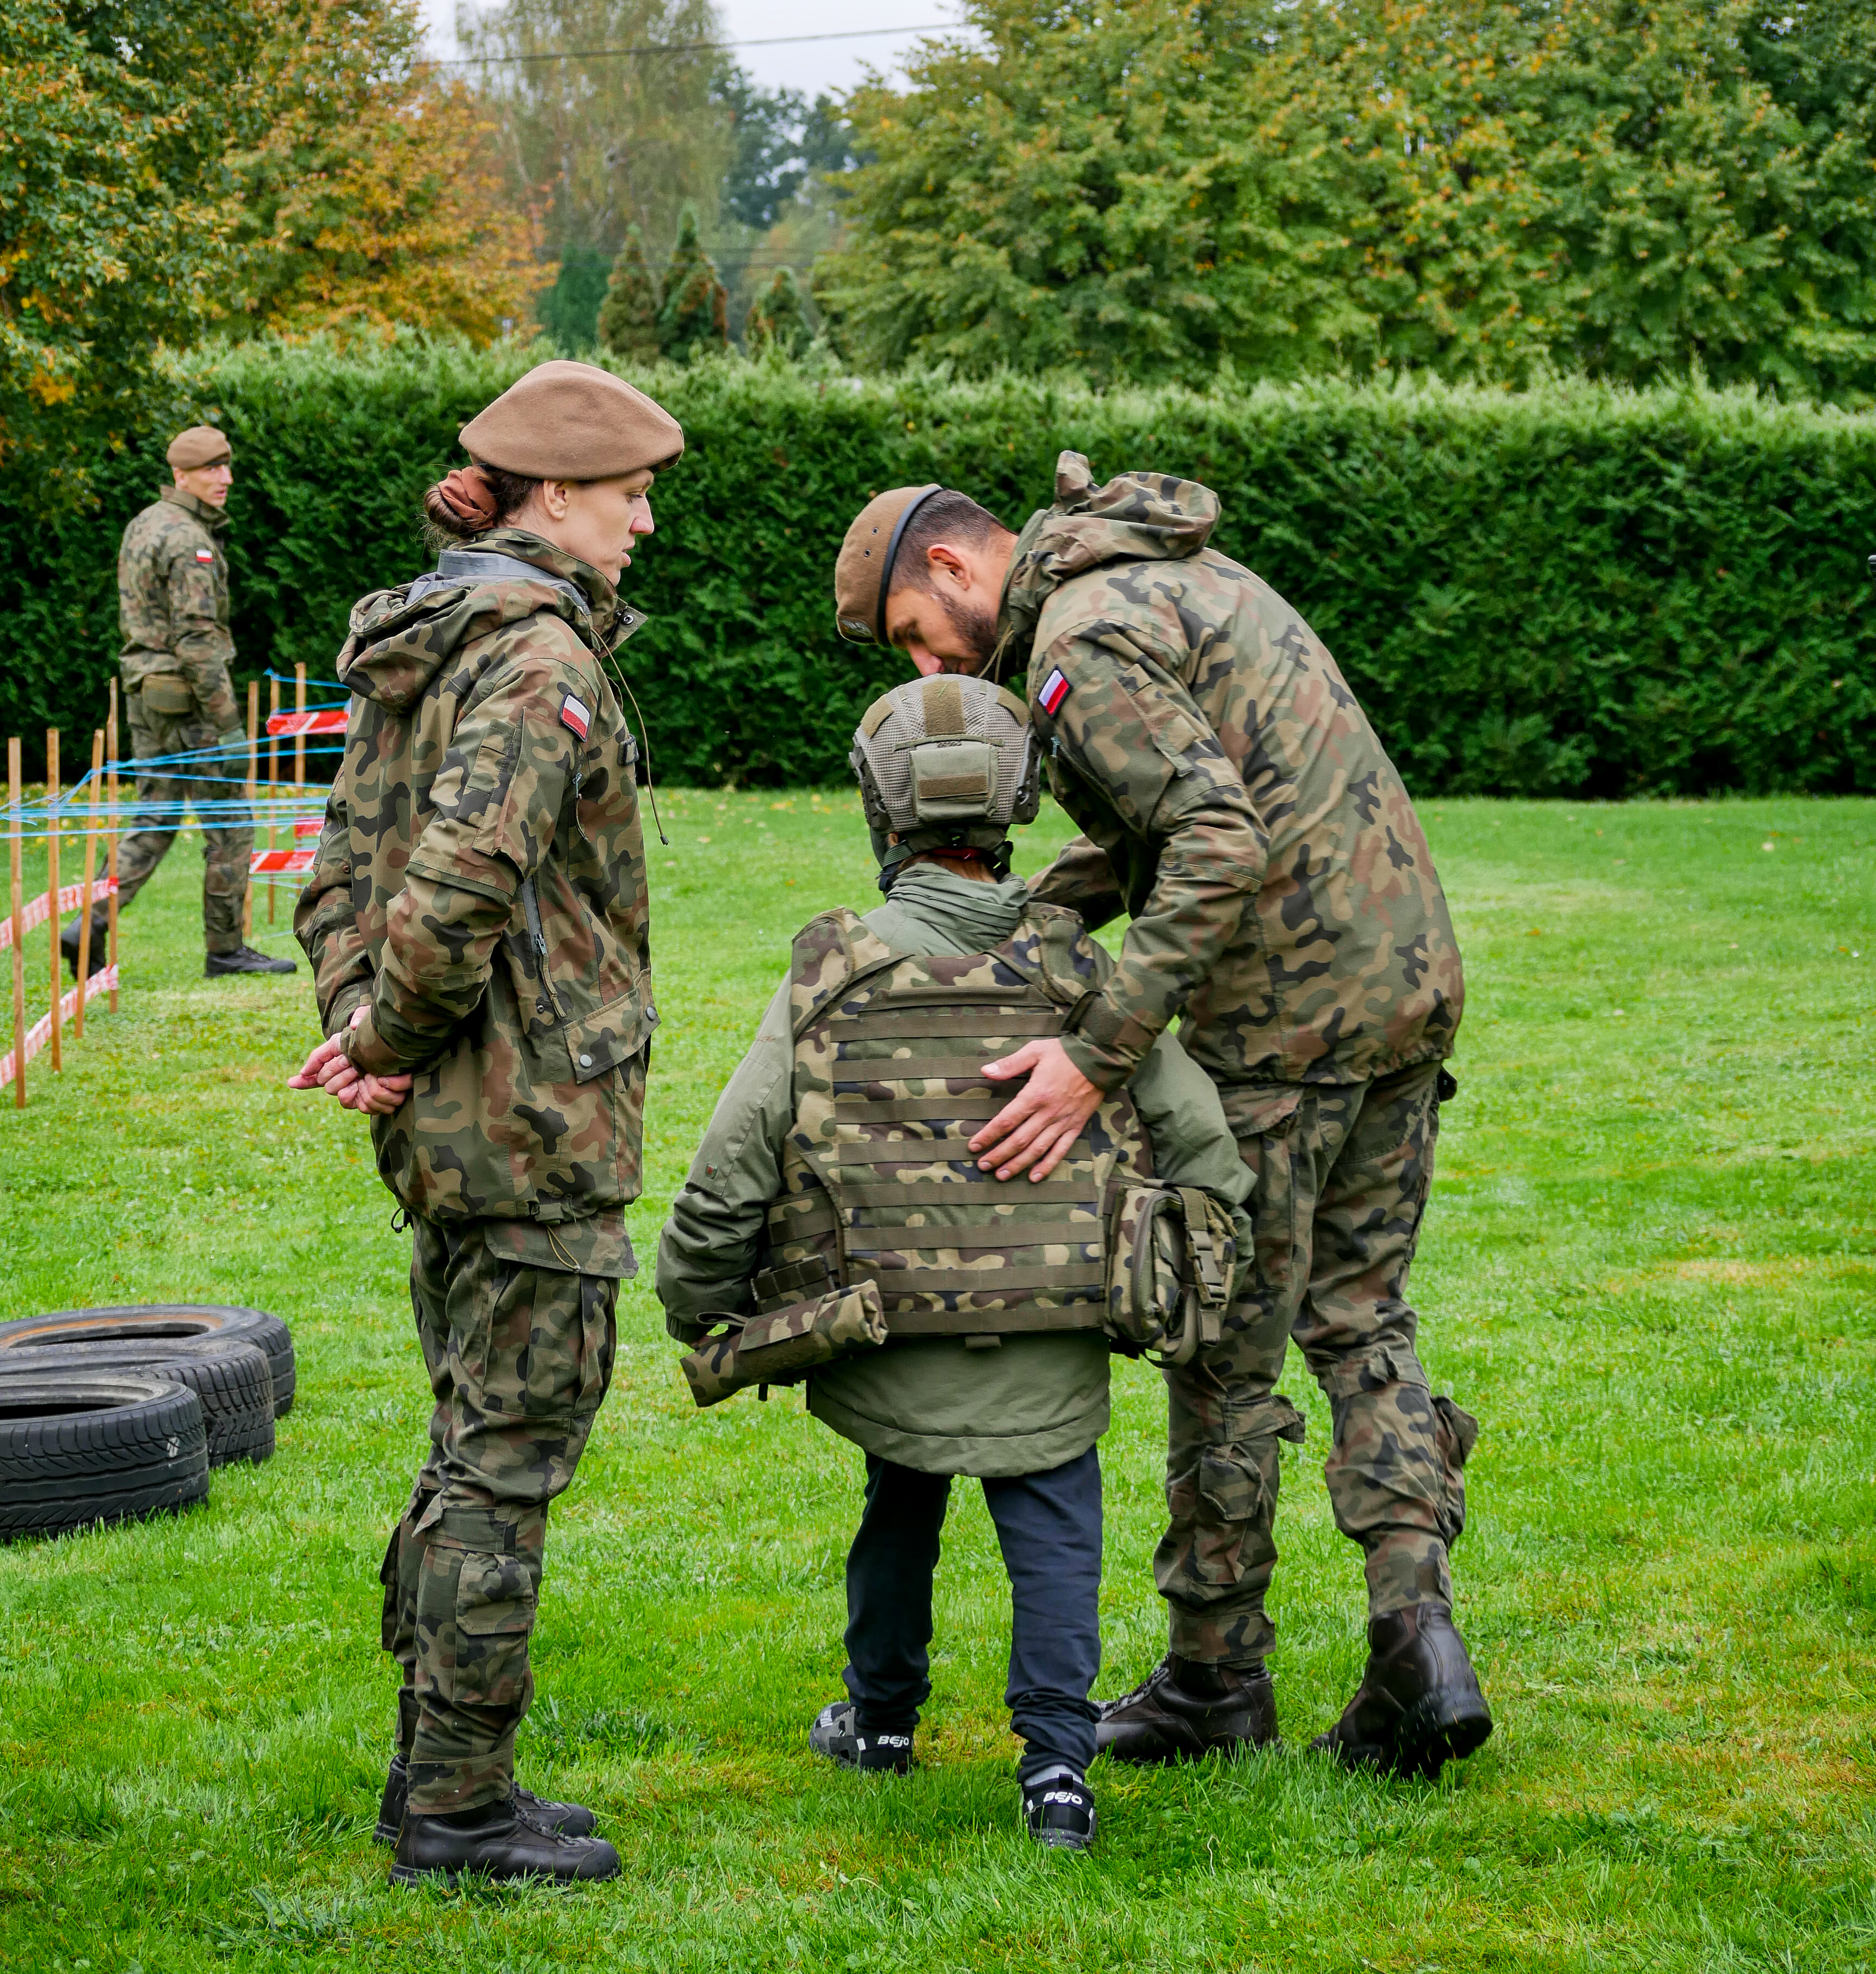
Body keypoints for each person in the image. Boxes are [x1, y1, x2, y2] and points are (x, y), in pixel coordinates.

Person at [829, 457, 1489, 1778]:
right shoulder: (1172, 573)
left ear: (955, 568)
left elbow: (1212, 843)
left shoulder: (1082, 637)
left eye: (912, 633)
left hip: (1285, 1019)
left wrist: (1094, 1049)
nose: (923, 666)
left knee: (1220, 1348)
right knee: (1361, 1313)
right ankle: (1415, 1634)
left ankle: (1210, 1675)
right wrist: (1030, 920)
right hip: (1403, 985)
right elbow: (1177, 826)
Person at [655, 673, 1253, 1853]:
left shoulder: (833, 970)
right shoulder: (1085, 979)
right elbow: (1209, 1159)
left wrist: (693, 1299)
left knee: (897, 1510)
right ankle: (1055, 1771)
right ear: (1019, 802)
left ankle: (879, 1721)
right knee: (1056, 1538)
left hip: (886, 1340)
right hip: (1055, 1346)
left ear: (880, 810)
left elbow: (731, 1164)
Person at [289, 360, 683, 1889]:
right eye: (631, 494)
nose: (646, 521)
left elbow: (341, 872)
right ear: (557, 493)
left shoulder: (426, 637)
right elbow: (453, 880)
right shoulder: (532, 658)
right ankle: (458, 1810)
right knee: (506, 1460)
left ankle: (430, 1783)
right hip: (531, 1118)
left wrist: (366, 1036)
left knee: (470, 1443)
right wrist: (381, 1033)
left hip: (461, 1110)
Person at [70, 423, 293, 976]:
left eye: (226, 466)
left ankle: (87, 925)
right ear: (181, 475)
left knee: (155, 815)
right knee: (231, 820)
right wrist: (229, 723)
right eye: (212, 469)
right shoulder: (188, 538)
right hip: (188, 698)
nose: (226, 478)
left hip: (147, 689)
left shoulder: (145, 522)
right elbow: (196, 639)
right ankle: (225, 950)